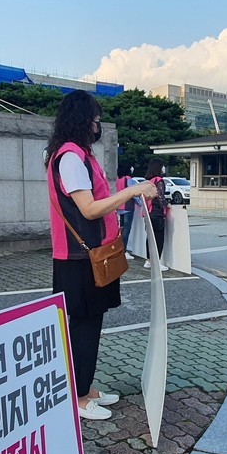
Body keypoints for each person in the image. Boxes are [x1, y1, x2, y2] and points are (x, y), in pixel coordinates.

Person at [46, 91, 155, 421]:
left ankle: (86, 388)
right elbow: (89, 209)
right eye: (94, 120)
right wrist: (132, 190)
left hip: (91, 256)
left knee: (90, 325)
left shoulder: (77, 155)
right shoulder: (70, 158)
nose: (97, 126)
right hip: (80, 260)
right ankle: (77, 398)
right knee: (83, 327)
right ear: (82, 121)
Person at [143, 158, 170, 271]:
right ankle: (157, 262)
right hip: (157, 213)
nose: (164, 168)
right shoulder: (159, 180)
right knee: (159, 238)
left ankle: (148, 260)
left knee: (150, 237)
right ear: (159, 167)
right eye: (162, 166)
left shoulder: (148, 181)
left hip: (148, 212)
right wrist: (167, 205)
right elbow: (161, 197)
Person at [117, 165, 136, 257]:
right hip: (128, 207)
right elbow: (133, 192)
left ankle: (120, 249)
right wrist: (140, 202)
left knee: (121, 229)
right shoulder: (128, 179)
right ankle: (124, 251)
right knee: (127, 230)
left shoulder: (118, 180)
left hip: (120, 207)